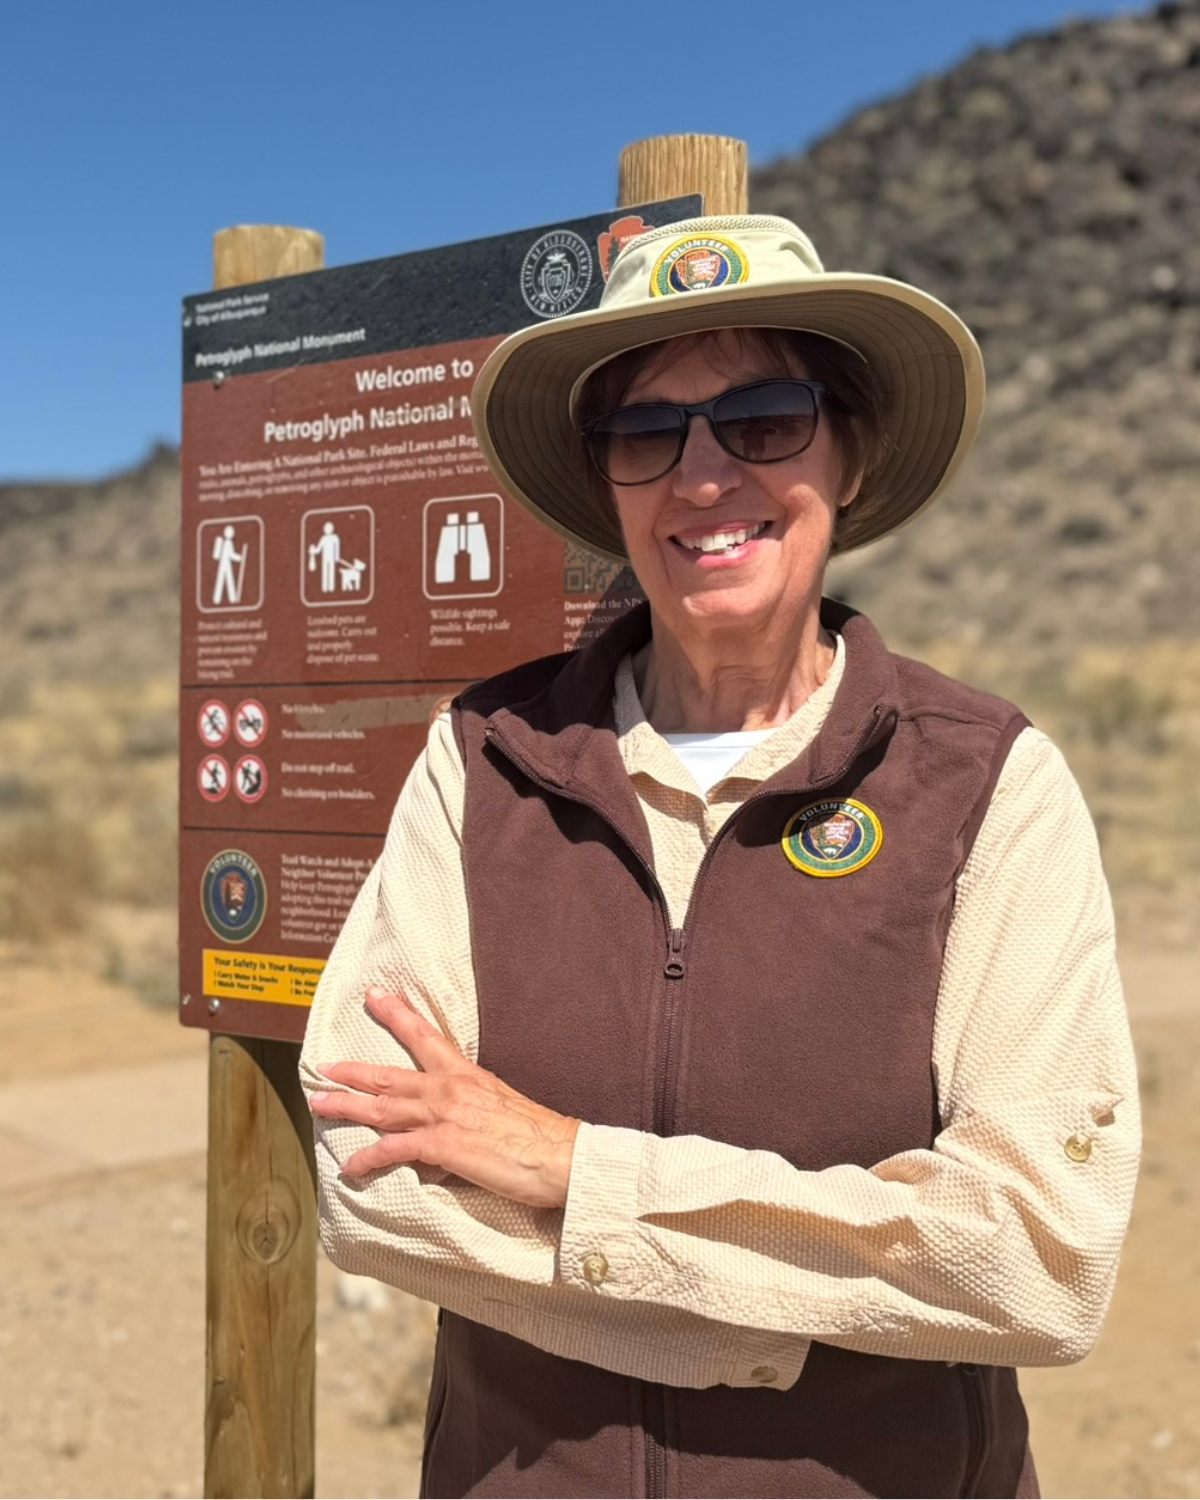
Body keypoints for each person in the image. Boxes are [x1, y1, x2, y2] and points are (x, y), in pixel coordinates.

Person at [301, 215, 1140, 1499]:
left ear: (851, 456)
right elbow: (374, 1189)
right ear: (609, 484)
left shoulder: (983, 784)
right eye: (647, 434)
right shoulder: (483, 761)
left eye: (765, 418)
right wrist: (821, 1291)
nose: (702, 478)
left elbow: (1036, 1256)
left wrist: (570, 1171)